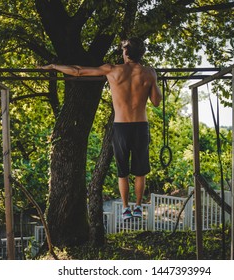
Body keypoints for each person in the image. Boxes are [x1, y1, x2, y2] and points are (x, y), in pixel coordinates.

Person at [40, 37, 162, 220]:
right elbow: (157, 101)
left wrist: (54, 67)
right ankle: (138, 207)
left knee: (123, 171)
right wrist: (155, 80)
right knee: (140, 171)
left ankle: (126, 209)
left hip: (121, 127)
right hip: (140, 126)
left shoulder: (112, 70)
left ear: (126, 52)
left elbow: (78, 71)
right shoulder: (149, 72)